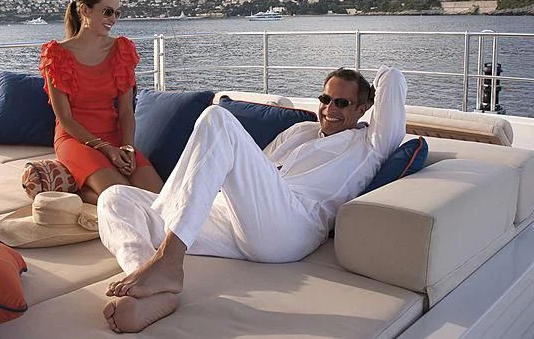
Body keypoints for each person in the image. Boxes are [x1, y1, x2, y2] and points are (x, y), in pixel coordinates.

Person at [97, 66, 407, 333]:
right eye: (325, 99)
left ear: (363, 108)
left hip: (291, 226)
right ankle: (149, 291)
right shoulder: (300, 131)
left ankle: (169, 261)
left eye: (342, 102)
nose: (329, 109)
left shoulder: (370, 144)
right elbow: (246, 173)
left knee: (217, 119)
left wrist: (371, 89)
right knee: (115, 198)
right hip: (237, 218)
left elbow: (392, 78)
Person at [39, 0, 163, 205]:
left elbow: (126, 111)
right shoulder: (56, 55)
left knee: (159, 199)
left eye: (117, 13)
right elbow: (65, 119)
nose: (113, 19)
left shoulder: (122, 50)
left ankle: (84, 193)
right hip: (76, 139)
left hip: (115, 137)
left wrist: (127, 148)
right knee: (124, 199)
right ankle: (81, 195)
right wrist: (107, 150)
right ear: (85, 10)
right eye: (107, 12)